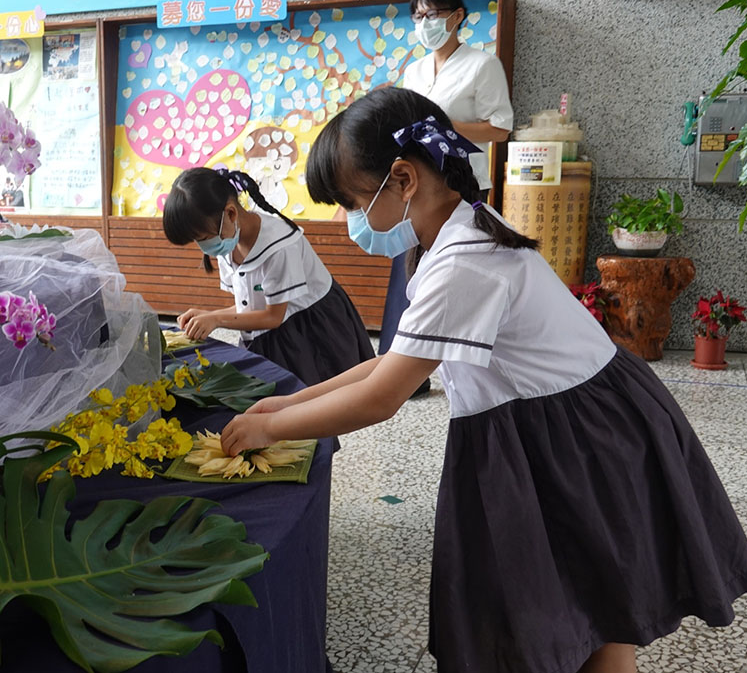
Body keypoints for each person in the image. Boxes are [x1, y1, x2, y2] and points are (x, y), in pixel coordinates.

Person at [220, 88, 747, 673]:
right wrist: (288, 404)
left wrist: (271, 430)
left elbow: (382, 395)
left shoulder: (464, 260)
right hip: (577, 420)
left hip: (581, 438)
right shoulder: (460, 229)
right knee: (598, 602)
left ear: (403, 179)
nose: (352, 221)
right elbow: (391, 360)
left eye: (353, 201)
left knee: (592, 604)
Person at [378, 0, 515, 386]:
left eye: (433, 15)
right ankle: (397, 367)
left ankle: (463, 364)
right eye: (419, 16)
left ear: (457, 16)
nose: (425, 23)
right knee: (408, 268)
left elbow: (500, 127)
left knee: (456, 268)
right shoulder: (415, 70)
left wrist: (443, 125)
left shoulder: (482, 65)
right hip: (418, 185)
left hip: (462, 183)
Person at [162, 167, 374, 386]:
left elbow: (273, 316)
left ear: (231, 213)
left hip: (312, 331)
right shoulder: (227, 242)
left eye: (204, 238)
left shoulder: (279, 246)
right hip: (275, 328)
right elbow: (252, 306)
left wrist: (216, 320)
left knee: (319, 392)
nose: (204, 247)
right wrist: (209, 315)